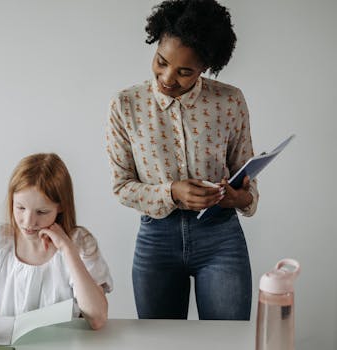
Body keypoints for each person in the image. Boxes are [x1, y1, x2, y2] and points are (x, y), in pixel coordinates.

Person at [105, 0, 257, 320]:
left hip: (221, 238)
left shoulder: (229, 101)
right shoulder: (125, 105)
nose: (168, 77)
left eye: (185, 71)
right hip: (156, 239)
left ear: (206, 67)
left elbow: (247, 183)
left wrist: (237, 197)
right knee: (159, 343)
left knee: (228, 343)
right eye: (161, 61)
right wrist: (172, 191)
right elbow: (121, 186)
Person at [0, 153, 113, 333]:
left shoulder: (80, 242)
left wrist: (68, 249)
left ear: (61, 207)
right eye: (20, 208)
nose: (28, 222)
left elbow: (97, 319)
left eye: (41, 212)